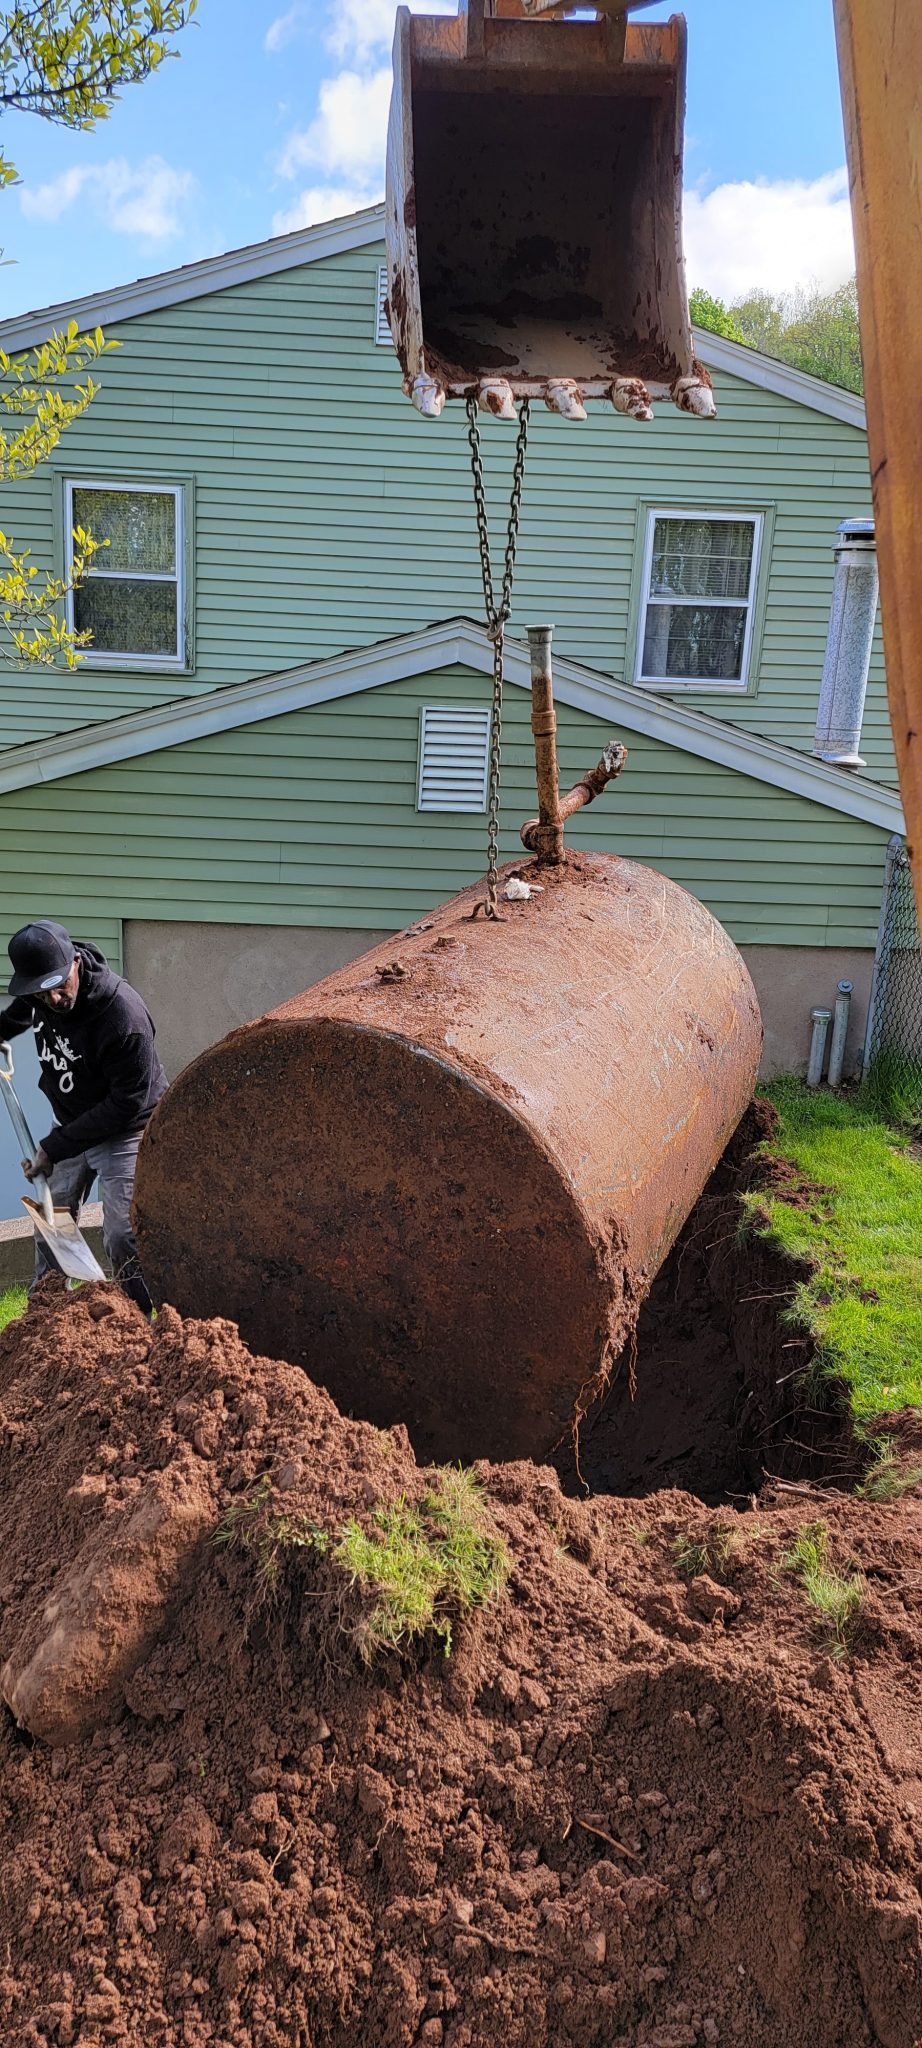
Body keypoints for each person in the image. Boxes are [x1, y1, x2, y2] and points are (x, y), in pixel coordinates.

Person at [0, 920, 167, 1313]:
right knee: (51, 1217)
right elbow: (19, 1013)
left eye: (59, 985)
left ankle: (136, 1320)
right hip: (72, 1121)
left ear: (75, 962)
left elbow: (126, 1103)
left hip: (127, 1130)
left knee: (123, 1234)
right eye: (41, 992)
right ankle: (47, 1316)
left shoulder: (123, 1015)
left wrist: (54, 1147)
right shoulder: (42, 994)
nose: (54, 999)